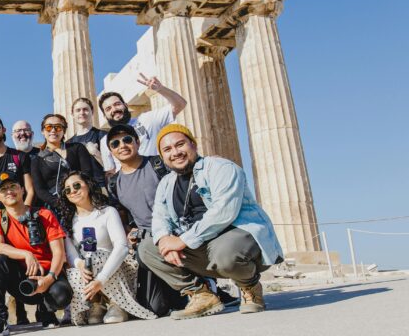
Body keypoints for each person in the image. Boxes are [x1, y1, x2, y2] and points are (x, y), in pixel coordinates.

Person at [139, 124, 284, 319]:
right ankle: (201, 295)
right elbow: (159, 216)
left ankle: (249, 286)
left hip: (236, 236)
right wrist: (165, 239)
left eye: (180, 144)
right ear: (162, 156)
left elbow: (224, 212)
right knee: (148, 248)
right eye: (167, 149)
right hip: (200, 245)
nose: (175, 152)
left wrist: (182, 241)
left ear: (193, 144)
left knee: (226, 252)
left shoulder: (221, 168)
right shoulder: (166, 182)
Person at [104, 124, 185, 316]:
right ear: (111, 151)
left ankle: (204, 285)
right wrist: (128, 231)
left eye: (127, 140)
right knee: (154, 308)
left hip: (178, 231)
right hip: (149, 240)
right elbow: (122, 214)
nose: (122, 145)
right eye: (115, 143)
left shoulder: (158, 164)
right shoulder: (114, 183)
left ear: (137, 142)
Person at [57, 171, 156, 325]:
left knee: (94, 256)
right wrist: (79, 264)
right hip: (88, 272)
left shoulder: (107, 212)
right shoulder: (68, 221)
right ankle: (96, 303)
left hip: (114, 269)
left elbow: (121, 247)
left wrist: (101, 280)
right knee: (77, 270)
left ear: (87, 186)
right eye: (67, 189)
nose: (73, 191)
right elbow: (71, 254)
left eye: (76, 185)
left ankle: (117, 304)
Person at [0, 173, 71, 336]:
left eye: (13, 186)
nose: (9, 191)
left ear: (22, 189)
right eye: (3, 189)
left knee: (62, 295)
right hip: (19, 279)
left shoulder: (44, 214)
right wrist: (26, 254)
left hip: (46, 274)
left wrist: (50, 278)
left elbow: (59, 252)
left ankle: (46, 309)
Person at [98, 73, 187, 172]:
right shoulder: (105, 140)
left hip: (159, 178)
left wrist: (160, 89)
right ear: (105, 116)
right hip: (129, 185)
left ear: (126, 105)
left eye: (117, 104)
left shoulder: (147, 119)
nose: (114, 109)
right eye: (108, 108)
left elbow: (180, 105)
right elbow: (111, 171)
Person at [30, 113, 105, 210]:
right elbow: (40, 190)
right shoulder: (37, 159)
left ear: (64, 130)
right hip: (58, 207)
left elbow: (87, 175)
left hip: (83, 200)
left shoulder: (77, 148)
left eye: (58, 127)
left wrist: (79, 198)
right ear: (43, 131)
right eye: (48, 127)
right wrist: (61, 204)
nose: (53, 130)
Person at [68, 97, 105, 162]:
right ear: (72, 114)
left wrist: (96, 153)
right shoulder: (68, 143)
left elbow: (114, 166)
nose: (82, 113)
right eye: (78, 110)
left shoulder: (103, 135)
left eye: (85, 109)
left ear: (92, 112)